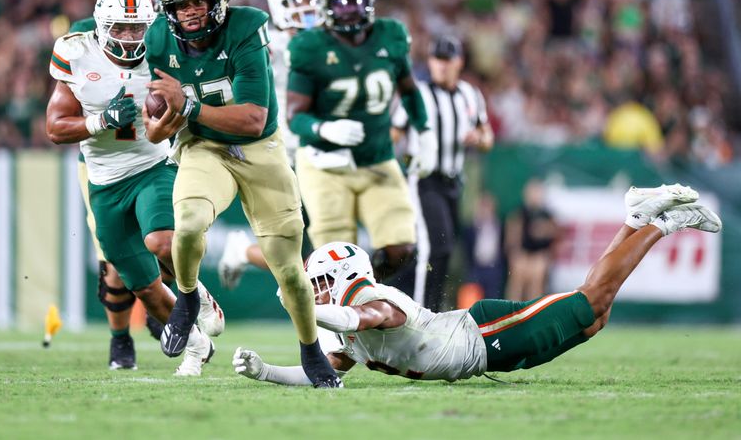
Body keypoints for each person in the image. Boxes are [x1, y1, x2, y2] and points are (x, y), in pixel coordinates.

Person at [233, 184, 720, 384]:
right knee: (594, 319)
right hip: (484, 348)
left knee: (592, 303)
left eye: (318, 283)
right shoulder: (342, 321)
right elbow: (328, 369)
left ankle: (666, 223)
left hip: (485, 335)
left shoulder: (367, 300)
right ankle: (637, 217)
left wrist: (301, 305)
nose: (314, 290)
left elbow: (361, 317)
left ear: (341, 277)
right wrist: (267, 372)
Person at [143, 0, 341, 388]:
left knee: (289, 268)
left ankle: (311, 353)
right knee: (189, 222)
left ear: (217, 1)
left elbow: (253, 118)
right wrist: (160, 121)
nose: (190, 12)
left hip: (261, 149)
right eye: (181, 5)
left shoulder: (247, 28)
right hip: (202, 147)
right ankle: (189, 299)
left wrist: (189, 106)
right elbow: (154, 125)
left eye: (198, 2)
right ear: (168, 11)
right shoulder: (157, 38)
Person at [46, 0, 221, 376]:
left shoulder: (164, 50)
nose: (129, 36)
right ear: (100, 26)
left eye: (137, 27)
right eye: (120, 28)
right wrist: (101, 120)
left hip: (152, 166)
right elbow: (55, 128)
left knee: (161, 241)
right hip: (104, 181)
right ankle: (197, 344)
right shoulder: (77, 52)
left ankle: (196, 295)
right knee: (141, 285)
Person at [287, 0, 437, 283]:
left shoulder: (391, 35)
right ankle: (332, 312)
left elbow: (409, 89)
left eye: (356, 2)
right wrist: (324, 129)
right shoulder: (309, 46)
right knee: (334, 258)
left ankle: (366, 288)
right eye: (342, 4)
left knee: (402, 248)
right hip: (324, 162)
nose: (350, 11)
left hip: (377, 157)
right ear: (327, 8)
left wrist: (424, 133)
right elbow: (294, 116)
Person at [66, 0, 167, 369]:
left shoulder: (166, 33)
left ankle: (172, 312)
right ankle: (120, 337)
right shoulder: (83, 38)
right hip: (105, 161)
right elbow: (62, 114)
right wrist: (102, 119)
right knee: (114, 261)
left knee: (167, 242)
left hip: (157, 153)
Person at [218, 0, 324, 290]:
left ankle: (243, 252)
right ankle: (245, 252)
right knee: (293, 252)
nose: (306, 9)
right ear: (279, 6)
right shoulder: (267, 40)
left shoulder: (327, 42)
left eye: (311, 1)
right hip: (282, 154)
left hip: (318, 152)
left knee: (318, 246)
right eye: (297, 2)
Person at [395, 34, 494, 311]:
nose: (441, 66)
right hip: (423, 180)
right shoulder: (418, 94)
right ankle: (420, 314)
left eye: (447, 60)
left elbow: (487, 136)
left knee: (446, 249)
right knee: (434, 247)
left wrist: (479, 137)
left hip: (453, 182)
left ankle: (433, 310)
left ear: (459, 62)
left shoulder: (469, 95)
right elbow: (395, 131)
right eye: (437, 59)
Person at [504, 179, 558, 301]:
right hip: (522, 254)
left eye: (537, 192)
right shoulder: (519, 212)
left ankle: (532, 314)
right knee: (516, 285)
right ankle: (511, 312)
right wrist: (513, 253)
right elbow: (512, 234)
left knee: (536, 285)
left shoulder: (547, 214)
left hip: (539, 256)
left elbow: (554, 233)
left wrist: (544, 230)